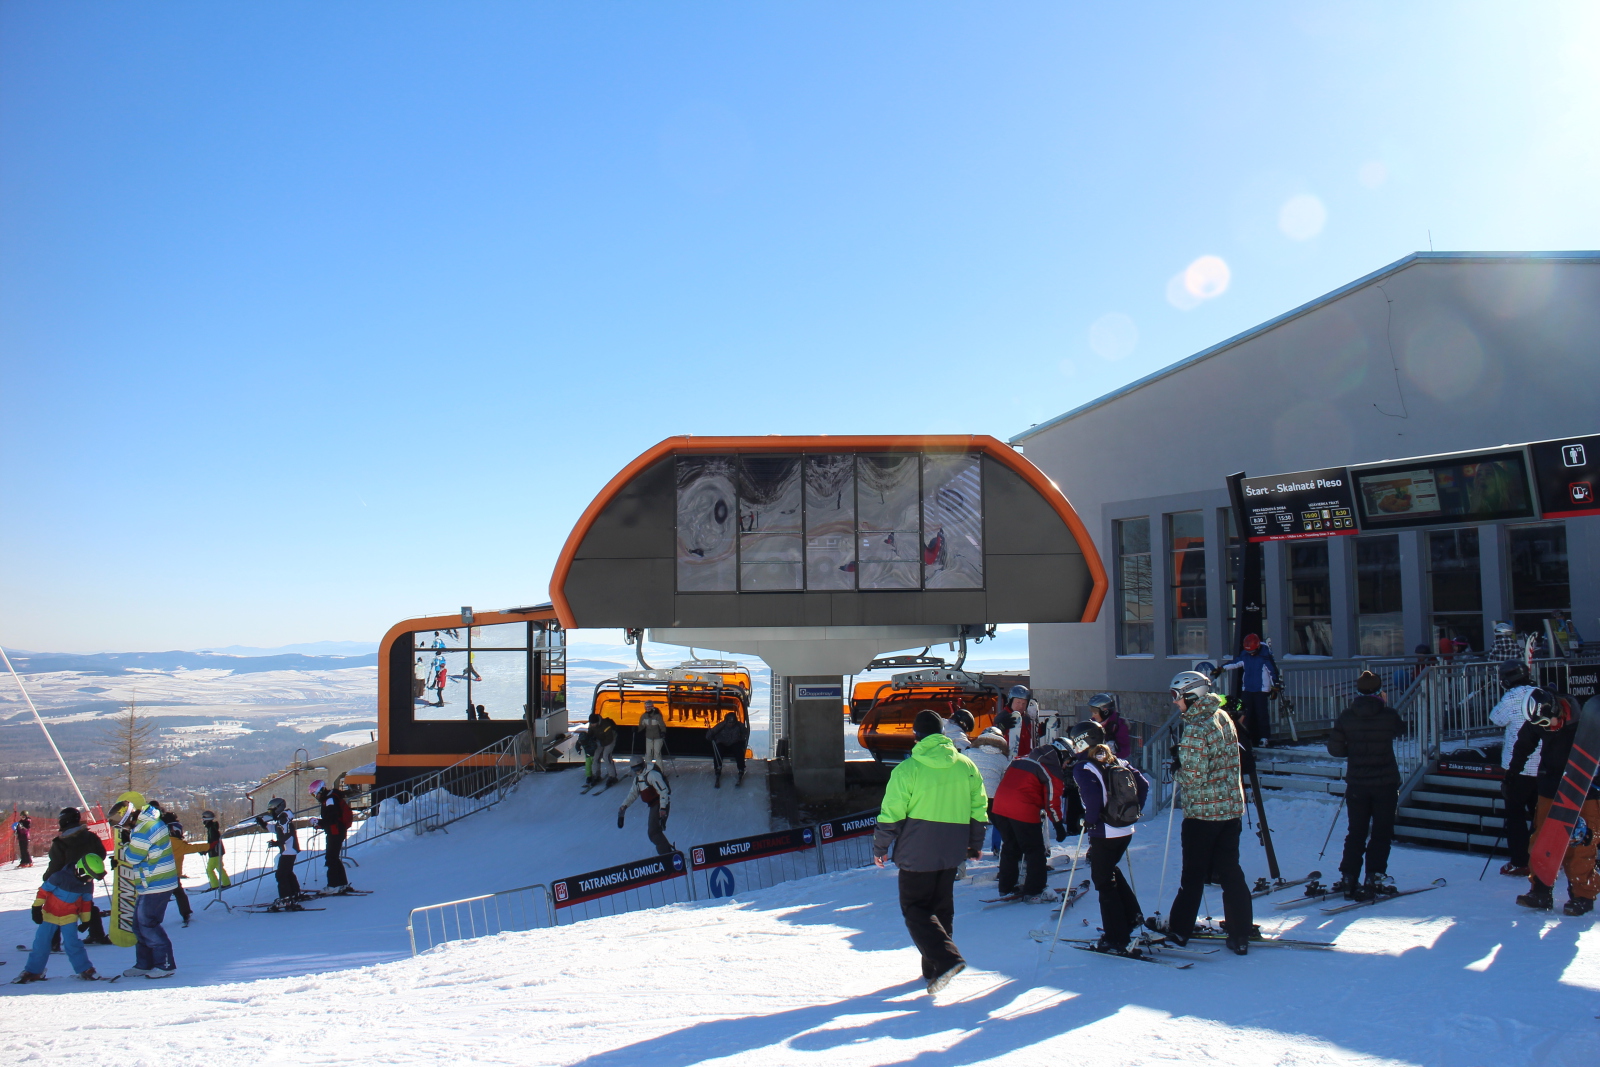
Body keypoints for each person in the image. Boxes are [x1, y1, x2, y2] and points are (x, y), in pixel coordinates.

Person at [872, 709, 988, 995]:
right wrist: (975, 843)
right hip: (952, 849)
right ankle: (933, 970)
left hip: (917, 848)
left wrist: (881, 846)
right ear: (942, 734)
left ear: (916, 735)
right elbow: (978, 808)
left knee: (915, 909)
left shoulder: (907, 770)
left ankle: (947, 960)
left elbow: (892, 813)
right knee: (941, 907)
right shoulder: (966, 766)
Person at [1163, 671, 1254, 955]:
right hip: (1229, 810)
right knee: (1230, 871)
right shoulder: (1223, 716)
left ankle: (1179, 930)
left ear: (1193, 695)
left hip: (1203, 815)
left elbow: (1193, 776)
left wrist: (1177, 767)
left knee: (1193, 874)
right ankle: (1240, 933)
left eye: (1177, 698)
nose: (1176, 704)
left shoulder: (1196, 727)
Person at [1510, 689, 1599, 916]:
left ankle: (1582, 894)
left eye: (1547, 722)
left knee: (1582, 841)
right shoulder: (1539, 719)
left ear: (1557, 709)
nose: (1546, 727)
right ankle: (1540, 890)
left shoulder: (1586, 721)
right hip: (1550, 785)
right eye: (1540, 724)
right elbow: (1524, 742)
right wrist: (1513, 774)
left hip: (1584, 788)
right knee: (1542, 839)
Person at [1068, 724, 1150, 955]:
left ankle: (1116, 936)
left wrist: (1090, 820)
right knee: (1109, 871)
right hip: (1124, 827)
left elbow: (1092, 797)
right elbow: (1143, 784)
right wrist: (1133, 811)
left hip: (1105, 830)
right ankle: (1132, 916)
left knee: (1103, 881)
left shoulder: (1084, 766)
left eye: (1075, 741)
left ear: (1083, 741)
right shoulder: (1116, 760)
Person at [1326, 670, 1403, 900]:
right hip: (1385, 782)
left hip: (1358, 783)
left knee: (1356, 831)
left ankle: (1349, 877)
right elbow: (1400, 730)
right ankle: (1374, 876)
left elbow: (1335, 749)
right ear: (1380, 692)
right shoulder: (1389, 715)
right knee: (1381, 832)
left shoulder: (1347, 716)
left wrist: (1355, 751)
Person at [990, 731, 1074, 903]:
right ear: (1062, 754)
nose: (1066, 765)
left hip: (999, 808)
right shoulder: (1050, 769)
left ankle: (1006, 887)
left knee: (1010, 848)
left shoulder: (1021, 759)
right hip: (1022, 811)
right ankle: (1035, 889)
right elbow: (1052, 802)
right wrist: (1058, 825)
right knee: (1035, 850)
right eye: (1068, 760)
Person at [12, 853, 108, 984]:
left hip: (69, 917)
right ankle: (34, 971)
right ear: (80, 870)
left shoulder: (86, 885)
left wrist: (86, 920)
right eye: (89, 876)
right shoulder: (59, 877)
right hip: (50, 915)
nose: (90, 880)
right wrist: (36, 907)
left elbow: (86, 903)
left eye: (93, 878)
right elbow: (43, 891)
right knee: (42, 943)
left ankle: (85, 969)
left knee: (73, 944)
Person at [1489, 660, 1539, 877]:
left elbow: (1496, 718)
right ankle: (1543, 856)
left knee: (1516, 817)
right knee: (1541, 815)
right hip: (1543, 765)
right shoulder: (1540, 692)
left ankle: (1520, 861)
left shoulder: (1511, 697)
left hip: (1517, 767)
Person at [121, 800, 178, 978]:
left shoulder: (143, 829)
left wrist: (125, 844)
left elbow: (133, 857)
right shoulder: (150, 822)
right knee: (139, 925)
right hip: (153, 882)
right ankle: (145, 964)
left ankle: (165, 964)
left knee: (148, 923)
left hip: (156, 882)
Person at [44, 807, 112, 948]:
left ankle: (52, 942)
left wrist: (48, 878)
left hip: (65, 881)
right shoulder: (91, 837)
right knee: (86, 904)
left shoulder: (61, 842)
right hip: (86, 878)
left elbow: (56, 864)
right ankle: (96, 934)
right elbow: (101, 854)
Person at [1220, 634, 1279, 748]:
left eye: (1253, 651)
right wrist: (1222, 668)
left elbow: (1273, 672)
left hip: (1261, 690)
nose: (1251, 654)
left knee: (1261, 714)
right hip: (1247, 688)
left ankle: (1264, 737)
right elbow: (1235, 662)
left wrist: (1275, 686)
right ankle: (1244, 737)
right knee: (1244, 713)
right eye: (1249, 651)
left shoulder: (1265, 657)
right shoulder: (1245, 656)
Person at [965, 726, 1011, 858]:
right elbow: (1004, 780)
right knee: (1001, 825)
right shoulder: (1003, 759)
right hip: (993, 797)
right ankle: (1003, 852)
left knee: (966, 826)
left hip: (972, 795)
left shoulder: (969, 753)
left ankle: (961, 864)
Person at [161, 811, 207, 926]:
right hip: (170, 875)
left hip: (162, 874)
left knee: (168, 895)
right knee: (177, 894)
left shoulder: (162, 841)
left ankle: (150, 917)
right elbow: (191, 847)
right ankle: (186, 913)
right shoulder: (176, 843)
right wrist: (210, 846)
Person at [618, 758, 673, 854]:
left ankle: (666, 854)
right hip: (653, 805)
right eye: (634, 770)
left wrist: (663, 808)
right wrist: (624, 805)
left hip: (659, 804)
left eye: (638, 769)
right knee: (655, 831)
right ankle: (667, 851)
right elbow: (633, 793)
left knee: (653, 832)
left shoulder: (652, 775)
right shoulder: (637, 779)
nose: (637, 772)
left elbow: (664, 791)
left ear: (643, 766)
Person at [256, 797, 304, 907]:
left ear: (277, 809)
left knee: (281, 874)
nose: (270, 813)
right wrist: (263, 824)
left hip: (288, 851)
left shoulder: (283, 819)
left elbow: (287, 834)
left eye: (271, 811)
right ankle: (294, 893)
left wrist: (277, 843)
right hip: (289, 850)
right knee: (287, 873)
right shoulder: (282, 819)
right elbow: (276, 829)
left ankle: (286, 899)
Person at [312, 781, 355, 892]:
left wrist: (319, 822)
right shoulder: (331, 798)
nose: (316, 797)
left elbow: (332, 818)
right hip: (336, 831)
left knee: (331, 858)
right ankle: (342, 883)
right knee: (334, 858)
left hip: (335, 832)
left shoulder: (330, 800)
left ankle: (334, 885)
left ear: (321, 791)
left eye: (315, 794)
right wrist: (321, 824)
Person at [707, 710, 748, 788]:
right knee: (718, 750)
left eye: (733, 723)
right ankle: (718, 768)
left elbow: (745, 732)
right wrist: (711, 737)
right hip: (722, 743)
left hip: (734, 743)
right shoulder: (721, 725)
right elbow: (709, 734)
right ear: (726, 721)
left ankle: (741, 768)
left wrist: (742, 739)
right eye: (729, 722)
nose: (731, 724)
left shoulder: (739, 725)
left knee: (739, 750)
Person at [1001, 685, 1043, 759]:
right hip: (1007, 759)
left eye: (1024, 703)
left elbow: (1032, 734)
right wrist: (1001, 727)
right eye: (1018, 702)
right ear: (1011, 701)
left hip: (1025, 758)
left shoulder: (1026, 718)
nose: (1021, 706)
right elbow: (992, 735)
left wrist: (1043, 729)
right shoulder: (1003, 717)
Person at [1086, 694, 1131, 760]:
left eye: (1095, 713)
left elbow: (1125, 750)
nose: (1093, 716)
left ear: (1105, 712)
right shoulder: (1092, 723)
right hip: (1092, 759)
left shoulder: (1118, 725)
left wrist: (1112, 751)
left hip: (1113, 761)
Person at [587, 712, 619, 787]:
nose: (592, 725)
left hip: (610, 740)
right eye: (591, 723)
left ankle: (612, 776)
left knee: (606, 756)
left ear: (597, 722)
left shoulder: (606, 725)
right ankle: (596, 775)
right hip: (600, 740)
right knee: (596, 757)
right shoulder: (592, 725)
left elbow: (609, 739)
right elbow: (590, 733)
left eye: (593, 723)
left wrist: (601, 744)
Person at [201, 810, 231, 889]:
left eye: (203, 819)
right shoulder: (212, 827)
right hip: (219, 851)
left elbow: (213, 842)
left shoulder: (211, 829)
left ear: (207, 819)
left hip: (215, 852)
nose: (202, 821)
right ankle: (226, 883)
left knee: (209, 870)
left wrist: (205, 850)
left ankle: (215, 885)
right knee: (219, 867)